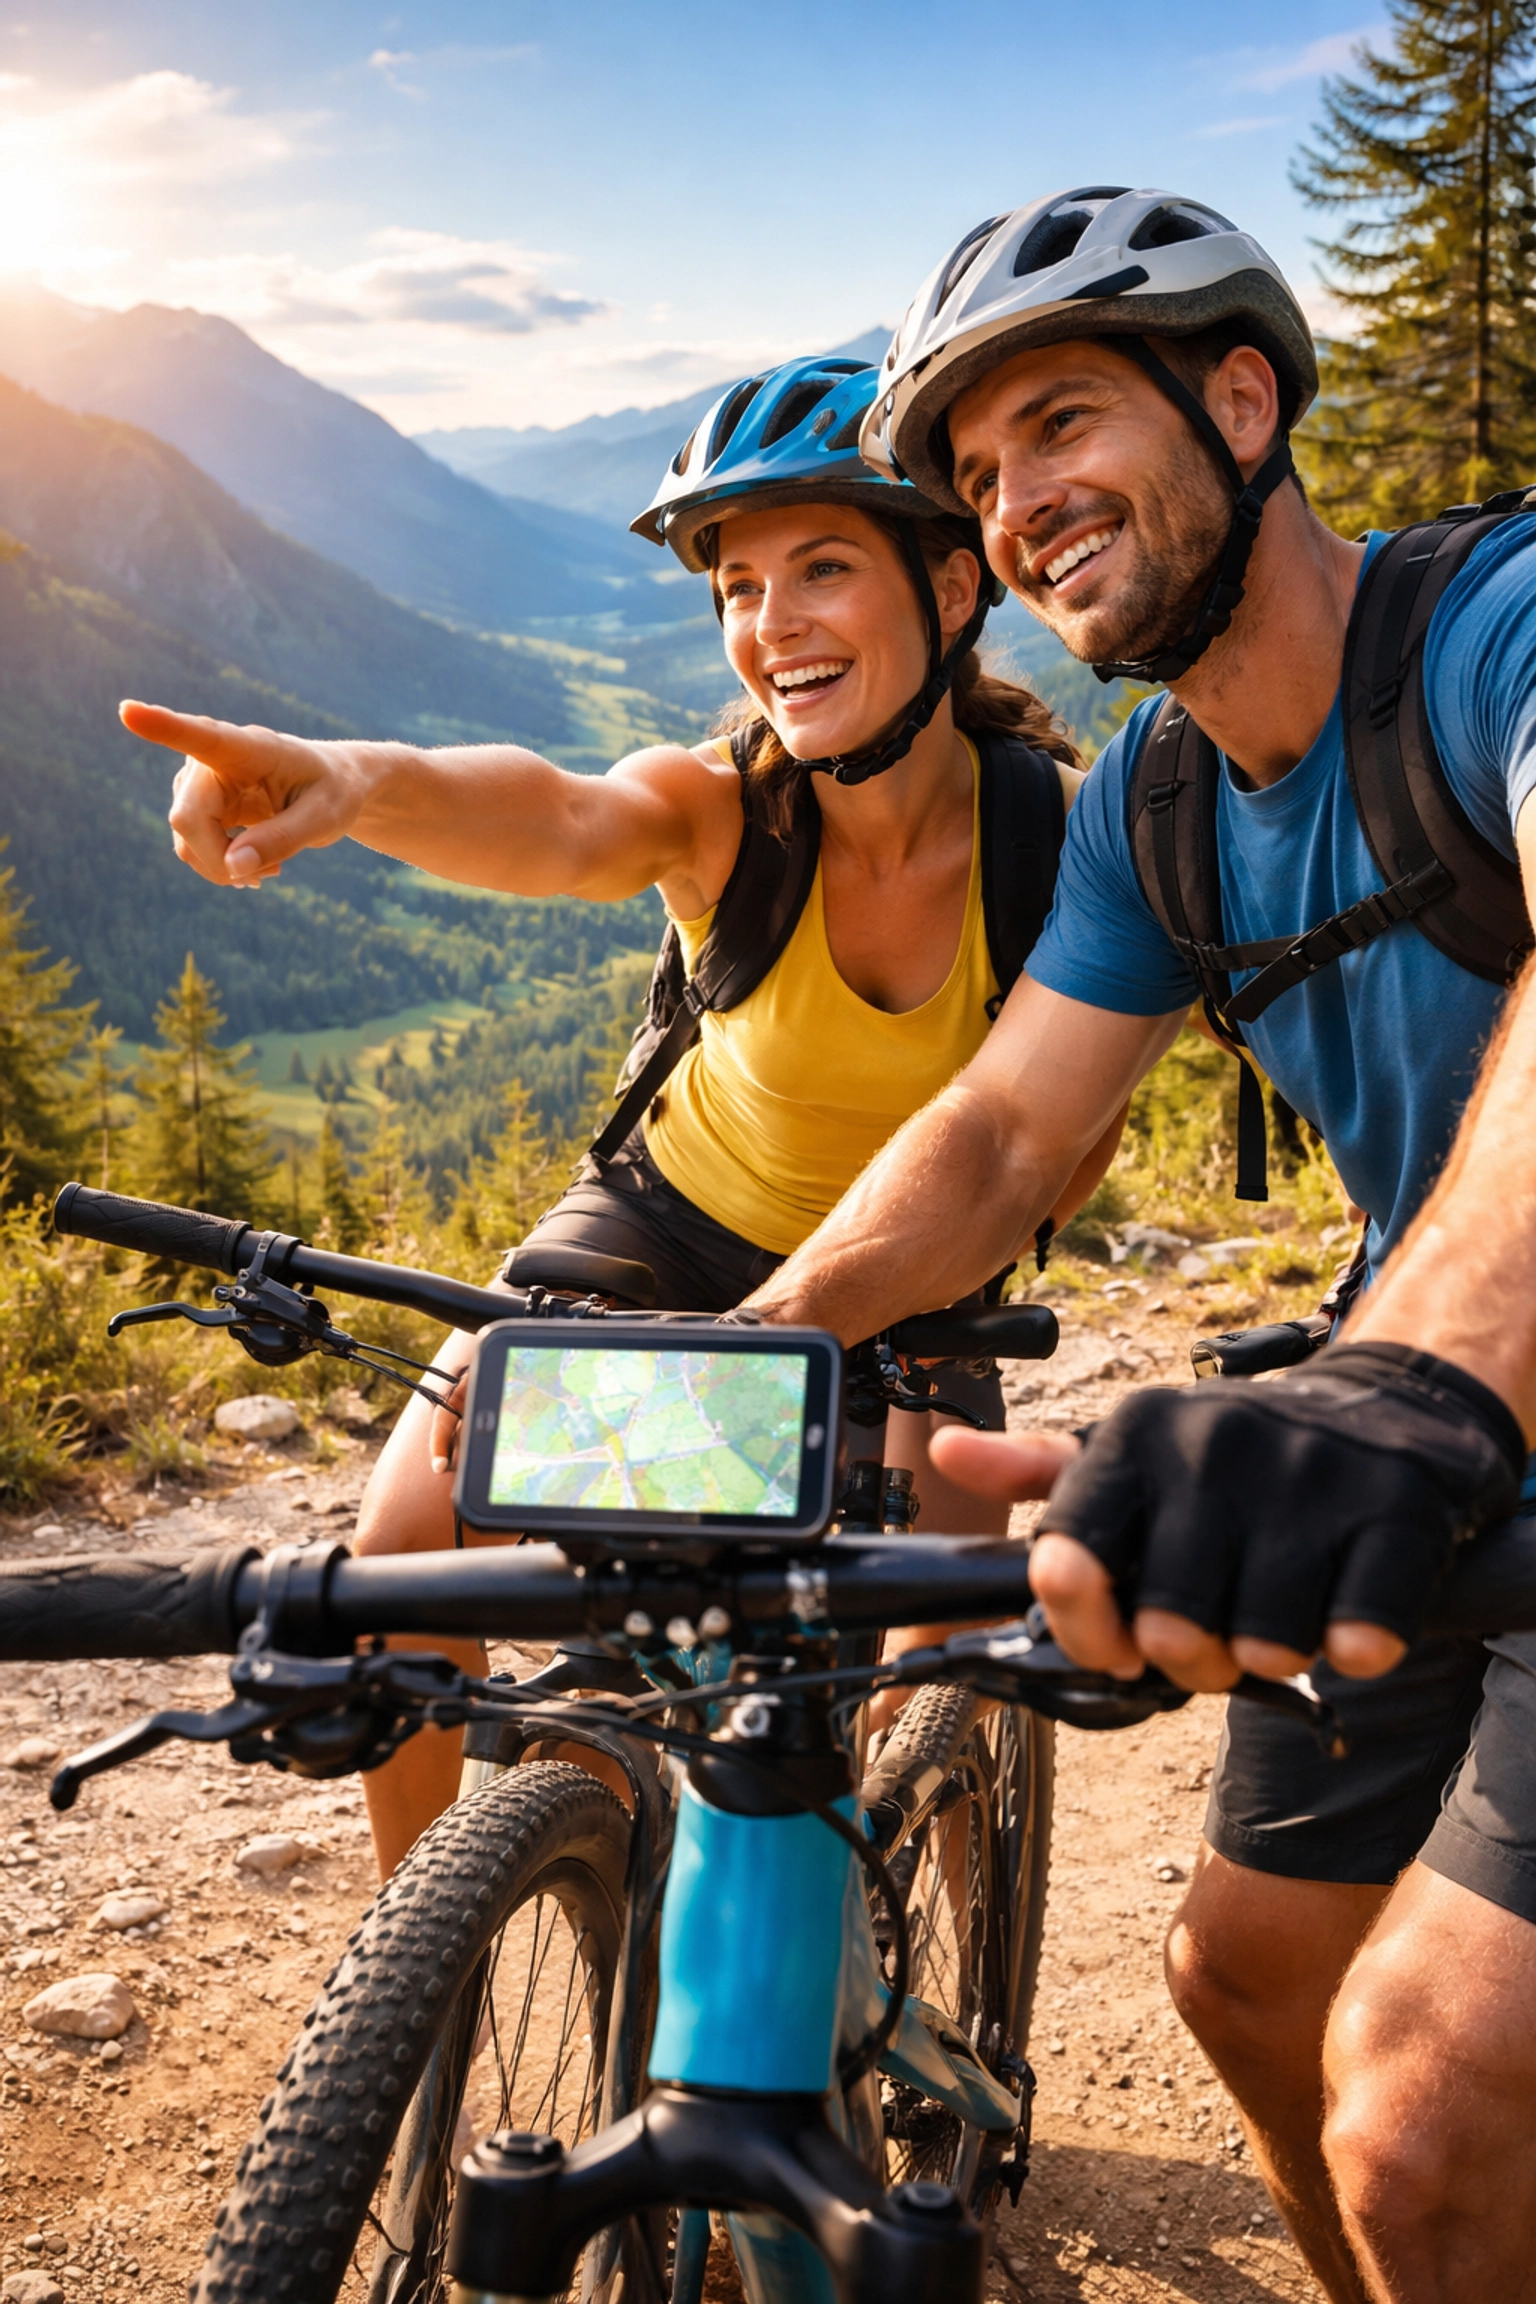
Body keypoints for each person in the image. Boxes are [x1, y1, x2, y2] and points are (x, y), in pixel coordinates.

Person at [739, 190, 1536, 2302]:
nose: (1018, 510)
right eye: (980, 481)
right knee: (1251, 1985)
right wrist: (767, 1344)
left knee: (1429, 2098)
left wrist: (1414, 1376)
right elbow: (1005, 1129)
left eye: (1063, 427)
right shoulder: (1156, 800)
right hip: (1408, 1438)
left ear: (1243, 400)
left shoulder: (1496, 631)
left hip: (1443, 1410)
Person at [124, 354, 1119, 1877]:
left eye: (823, 568)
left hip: (911, 1276)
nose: (769, 624)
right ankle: (437, 1976)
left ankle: (909, 2011)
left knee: (918, 1672)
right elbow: (560, 814)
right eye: (735, 585)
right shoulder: (729, 807)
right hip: (663, 1226)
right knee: (409, 1556)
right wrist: (351, 777)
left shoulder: (1057, 837)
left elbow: (1061, 1135)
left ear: (953, 583)